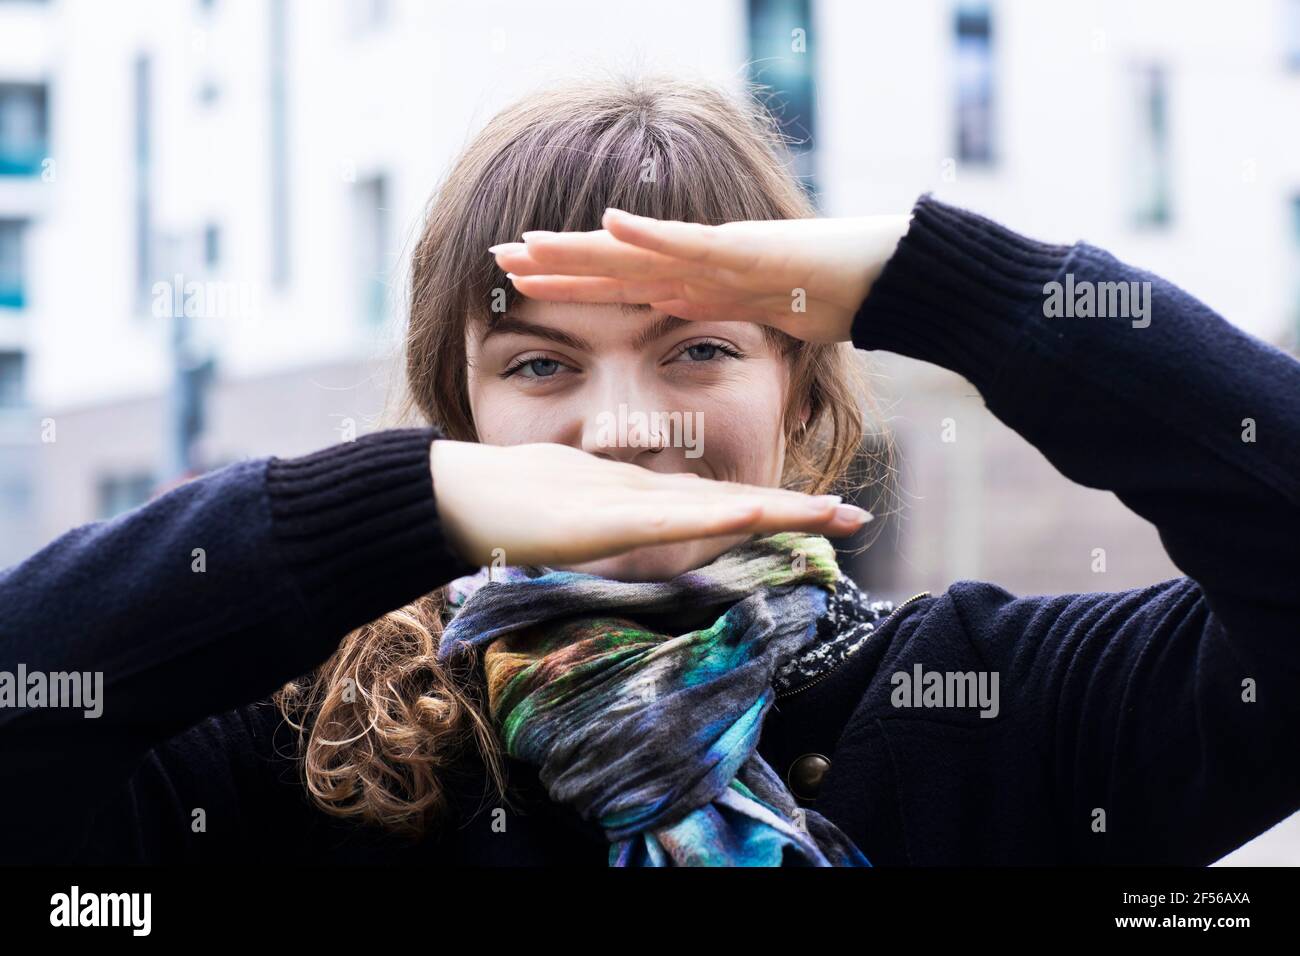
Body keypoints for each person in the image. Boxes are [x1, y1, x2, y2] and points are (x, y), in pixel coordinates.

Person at [1, 75, 1297, 866]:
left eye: (697, 349)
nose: (624, 427)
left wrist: (946, 285)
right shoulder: (303, 761)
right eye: (541, 365)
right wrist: (394, 509)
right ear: (458, 415)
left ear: (799, 393)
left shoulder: (1002, 712)